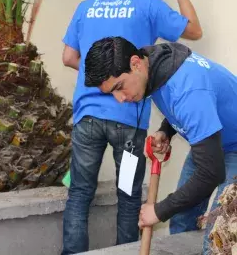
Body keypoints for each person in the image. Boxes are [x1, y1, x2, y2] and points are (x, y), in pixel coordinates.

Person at [61, 0, 202, 254]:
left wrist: (103, 82)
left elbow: (68, 57)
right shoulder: (148, 5)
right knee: (127, 195)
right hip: (128, 122)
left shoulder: (87, 5)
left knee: (79, 193)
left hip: (86, 118)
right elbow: (194, 30)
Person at [84, 36, 237, 254]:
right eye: (112, 93)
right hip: (211, 138)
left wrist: (159, 210)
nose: (120, 98)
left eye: (119, 87)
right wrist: (166, 130)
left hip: (232, 146)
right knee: (183, 220)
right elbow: (184, 106)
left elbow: (211, 172)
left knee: (219, 240)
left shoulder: (188, 89)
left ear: (135, 63)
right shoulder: (155, 64)